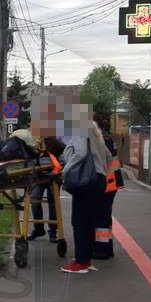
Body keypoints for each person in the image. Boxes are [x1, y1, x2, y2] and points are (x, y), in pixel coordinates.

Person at [59, 113, 109, 274]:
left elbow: (80, 153)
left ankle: (81, 263)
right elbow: (107, 156)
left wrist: (65, 171)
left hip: (86, 182)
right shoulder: (96, 135)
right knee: (88, 221)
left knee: (79, 222)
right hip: (98, 180)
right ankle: (85, 259)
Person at [92, 113, 124, 259]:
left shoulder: (101, 139)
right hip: (111, 182)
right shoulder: (107, 137)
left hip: (106, 183)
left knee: (100, 217)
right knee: (104, 216)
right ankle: (107, 247)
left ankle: (101, 250)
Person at [28, 136, 65, 242]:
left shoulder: (58, 149)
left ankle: (53, 231)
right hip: (39, 178)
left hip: (53, 178)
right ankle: (38, 228)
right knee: (34, 200)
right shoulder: (34, 148)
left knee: (53, 203)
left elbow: (63, 162)